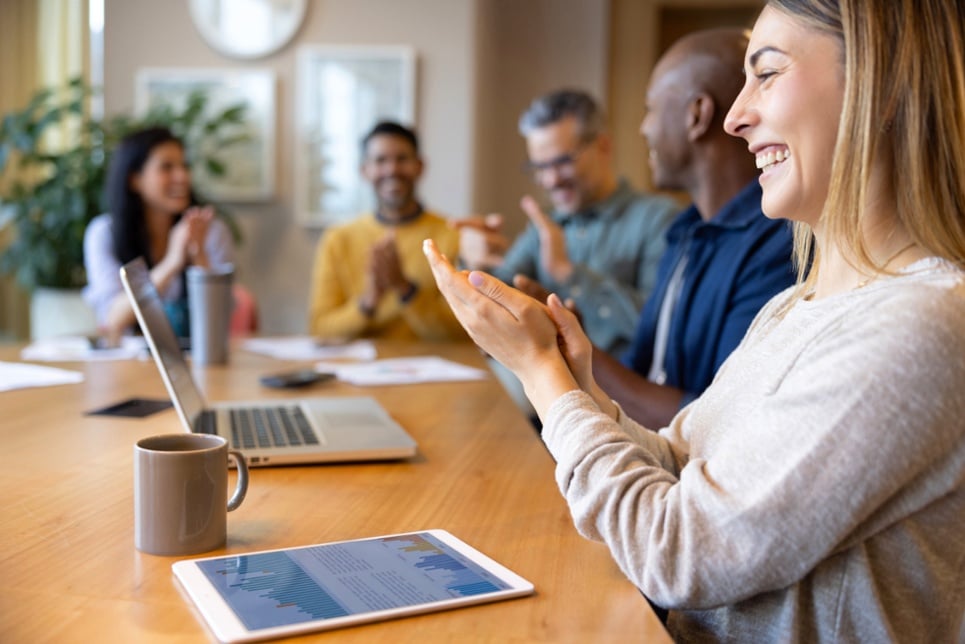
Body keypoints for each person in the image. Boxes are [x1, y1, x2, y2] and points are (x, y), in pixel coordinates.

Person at [423, 0, 965, 640]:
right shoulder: (795, 305)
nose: (737, 116)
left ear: (882, 86)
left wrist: (544, 377)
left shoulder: (920, 326)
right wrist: (581, 383)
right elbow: (682, 463)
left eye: (766, 73)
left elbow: (681, 553)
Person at [592, 28, 796, 429]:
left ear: (696, 115)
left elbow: (719, 425)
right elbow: (643, 373)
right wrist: (565, 336)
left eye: (651, 108)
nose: (644, 128)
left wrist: (569, 358)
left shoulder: (777, 244)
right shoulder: (684, 231)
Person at [455, 89, 679, 356]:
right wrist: (475, 267)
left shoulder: (659, 219)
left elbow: (662, 328)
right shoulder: (545, 225)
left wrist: (568, 274)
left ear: (603, 146)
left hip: (621, 393)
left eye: (562, 162)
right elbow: (499, 301)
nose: (551, 180)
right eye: (540, 167)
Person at [307, 121, 464, 341]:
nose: (392, 169)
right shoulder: (338, 239)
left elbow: (460, 335)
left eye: (402, 159)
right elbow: (320, 329)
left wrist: (405, 288)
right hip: (357, 371)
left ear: (420, 166)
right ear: (364, 170)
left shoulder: (452, 236)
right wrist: (368, 301)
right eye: (380, 160)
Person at [83, 126, 234, 343]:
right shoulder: (104, 233)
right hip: (128, 365)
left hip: (198, 359)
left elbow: (220, 320)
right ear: (135, 179)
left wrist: (199, 255)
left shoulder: (211, 231)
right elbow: (113, 318)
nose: (181, 176)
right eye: (166, 167)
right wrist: (172, 263)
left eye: (184, 166)